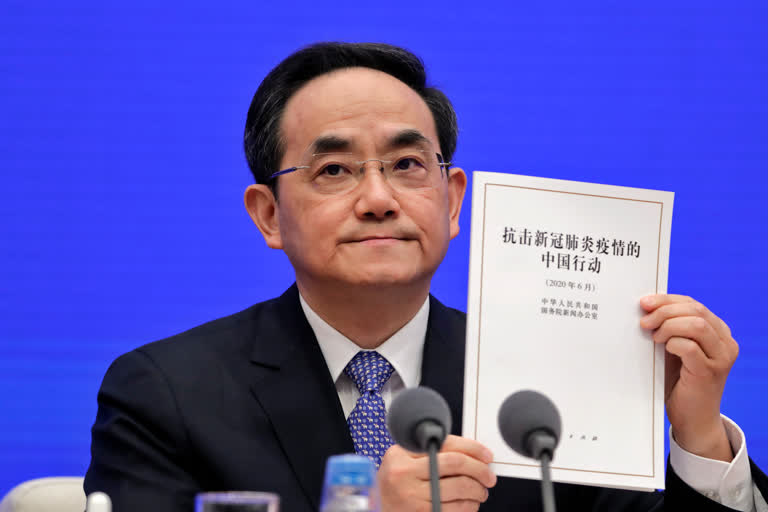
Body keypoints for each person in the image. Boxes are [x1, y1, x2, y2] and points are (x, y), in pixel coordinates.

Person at [84, 42, 767, 512]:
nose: (379, 197)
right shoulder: (166, 394)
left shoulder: (546, 383)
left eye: (409, 164)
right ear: (268, 216)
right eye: (334, 170)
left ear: (453, 199)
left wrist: (699, 436)